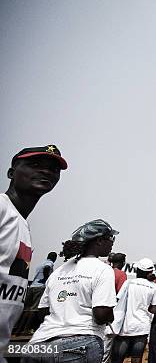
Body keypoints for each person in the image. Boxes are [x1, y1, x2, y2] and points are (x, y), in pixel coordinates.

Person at [1, 145, 66, 362]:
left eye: (53, 169)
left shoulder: (23, 225)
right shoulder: (2, 209)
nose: (46, 171)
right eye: (35, 165)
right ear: (11, 172)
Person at [24, 219, 117, 363]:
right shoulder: (103, 269)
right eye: (111, 238)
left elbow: (43, 311)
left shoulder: (59, 271)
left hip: (38, 345)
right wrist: (110, 317)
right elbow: (101, 313)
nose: (112, 243)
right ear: (99, 240)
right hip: (80, 345)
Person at [110, 258, 156, 363]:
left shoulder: (129, 283)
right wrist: (145, 308)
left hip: (126, 326)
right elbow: (155, 309)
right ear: (150, 272)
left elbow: (118, 300)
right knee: (136, 359)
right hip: (142, 327)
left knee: (118, 358)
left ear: (138, 270)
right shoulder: (154, 287)